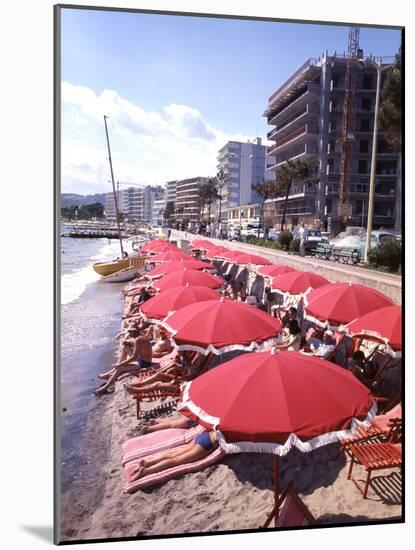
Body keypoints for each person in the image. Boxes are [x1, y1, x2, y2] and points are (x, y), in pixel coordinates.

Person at [130, 430, 219, 481]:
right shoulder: (231, 426)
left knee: (173, 454)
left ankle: (147, 462)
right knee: (176, 460)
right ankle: (147, 471)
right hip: (209, 442)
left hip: (205, 435)